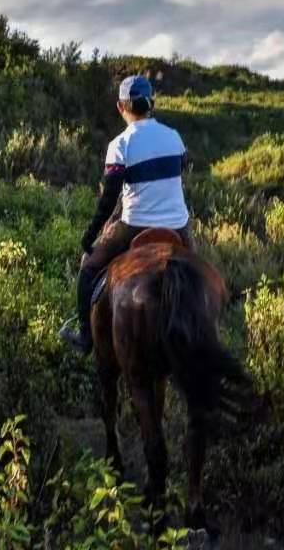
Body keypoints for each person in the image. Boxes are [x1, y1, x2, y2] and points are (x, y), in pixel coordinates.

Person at [59, 75, 193, 354]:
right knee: (202, 275)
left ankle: (85, 339)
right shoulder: (175, 137)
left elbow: (109, 200)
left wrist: (90, 236)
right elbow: (181, 168)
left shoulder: (119, 145)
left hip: (134, 225)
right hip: (178, 226)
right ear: (151, 104)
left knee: (88, 269)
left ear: (121, 107)